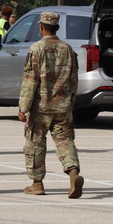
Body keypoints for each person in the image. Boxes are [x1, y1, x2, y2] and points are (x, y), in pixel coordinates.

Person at [19, 12, 84, 199]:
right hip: (63, 106)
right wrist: (71, 103)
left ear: (41, 27)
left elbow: (30, 81)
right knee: (65, 141)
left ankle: (37, 183)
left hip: (41, 107)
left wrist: (23, 107)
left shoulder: (36, 49)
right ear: (57, 28)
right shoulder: (68, 49)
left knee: (35, 144)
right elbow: (73, 80)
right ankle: (73, 173)